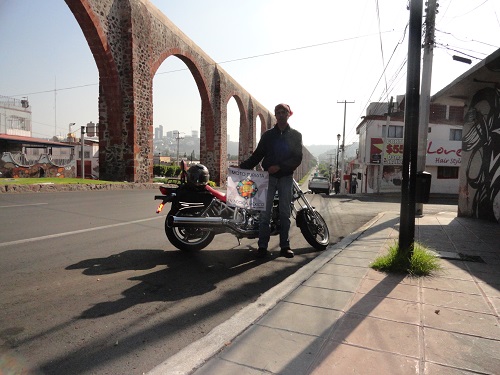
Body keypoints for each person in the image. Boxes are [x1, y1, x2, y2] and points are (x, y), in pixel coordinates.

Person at [239, 103, 303, 258]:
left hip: (286, 178)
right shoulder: (268, 135)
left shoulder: (296, 135)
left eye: (283, 112)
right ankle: (262, 246)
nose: (280, 114)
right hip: (268, 178)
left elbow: (297, 158)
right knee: (264, 212)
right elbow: (258, 155)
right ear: (276, 115)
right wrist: (242, 167)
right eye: (278, 112)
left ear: (289, 114)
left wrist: (279, 167)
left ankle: (285, 246)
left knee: (284, 212)